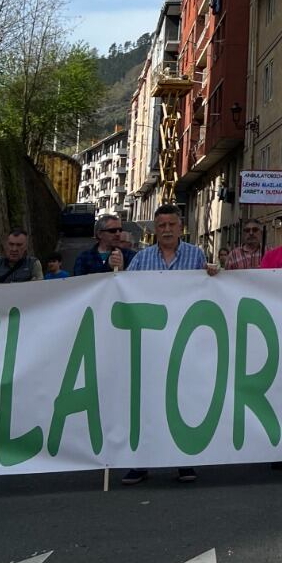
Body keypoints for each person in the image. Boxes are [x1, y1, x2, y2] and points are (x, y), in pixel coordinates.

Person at [121, 205, 219, 486]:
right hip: (150, 343)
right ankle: (140, 463)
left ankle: (183, 460)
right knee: (146, 403)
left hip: (184, 343)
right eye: (161, 225)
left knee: (184, 402)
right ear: (155, 228)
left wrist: (213, 275)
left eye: (171, 224)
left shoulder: (196, 255)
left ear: (180, 226)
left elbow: (208, 291)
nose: (166, 230)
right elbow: (125, 292)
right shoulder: (141, 259)